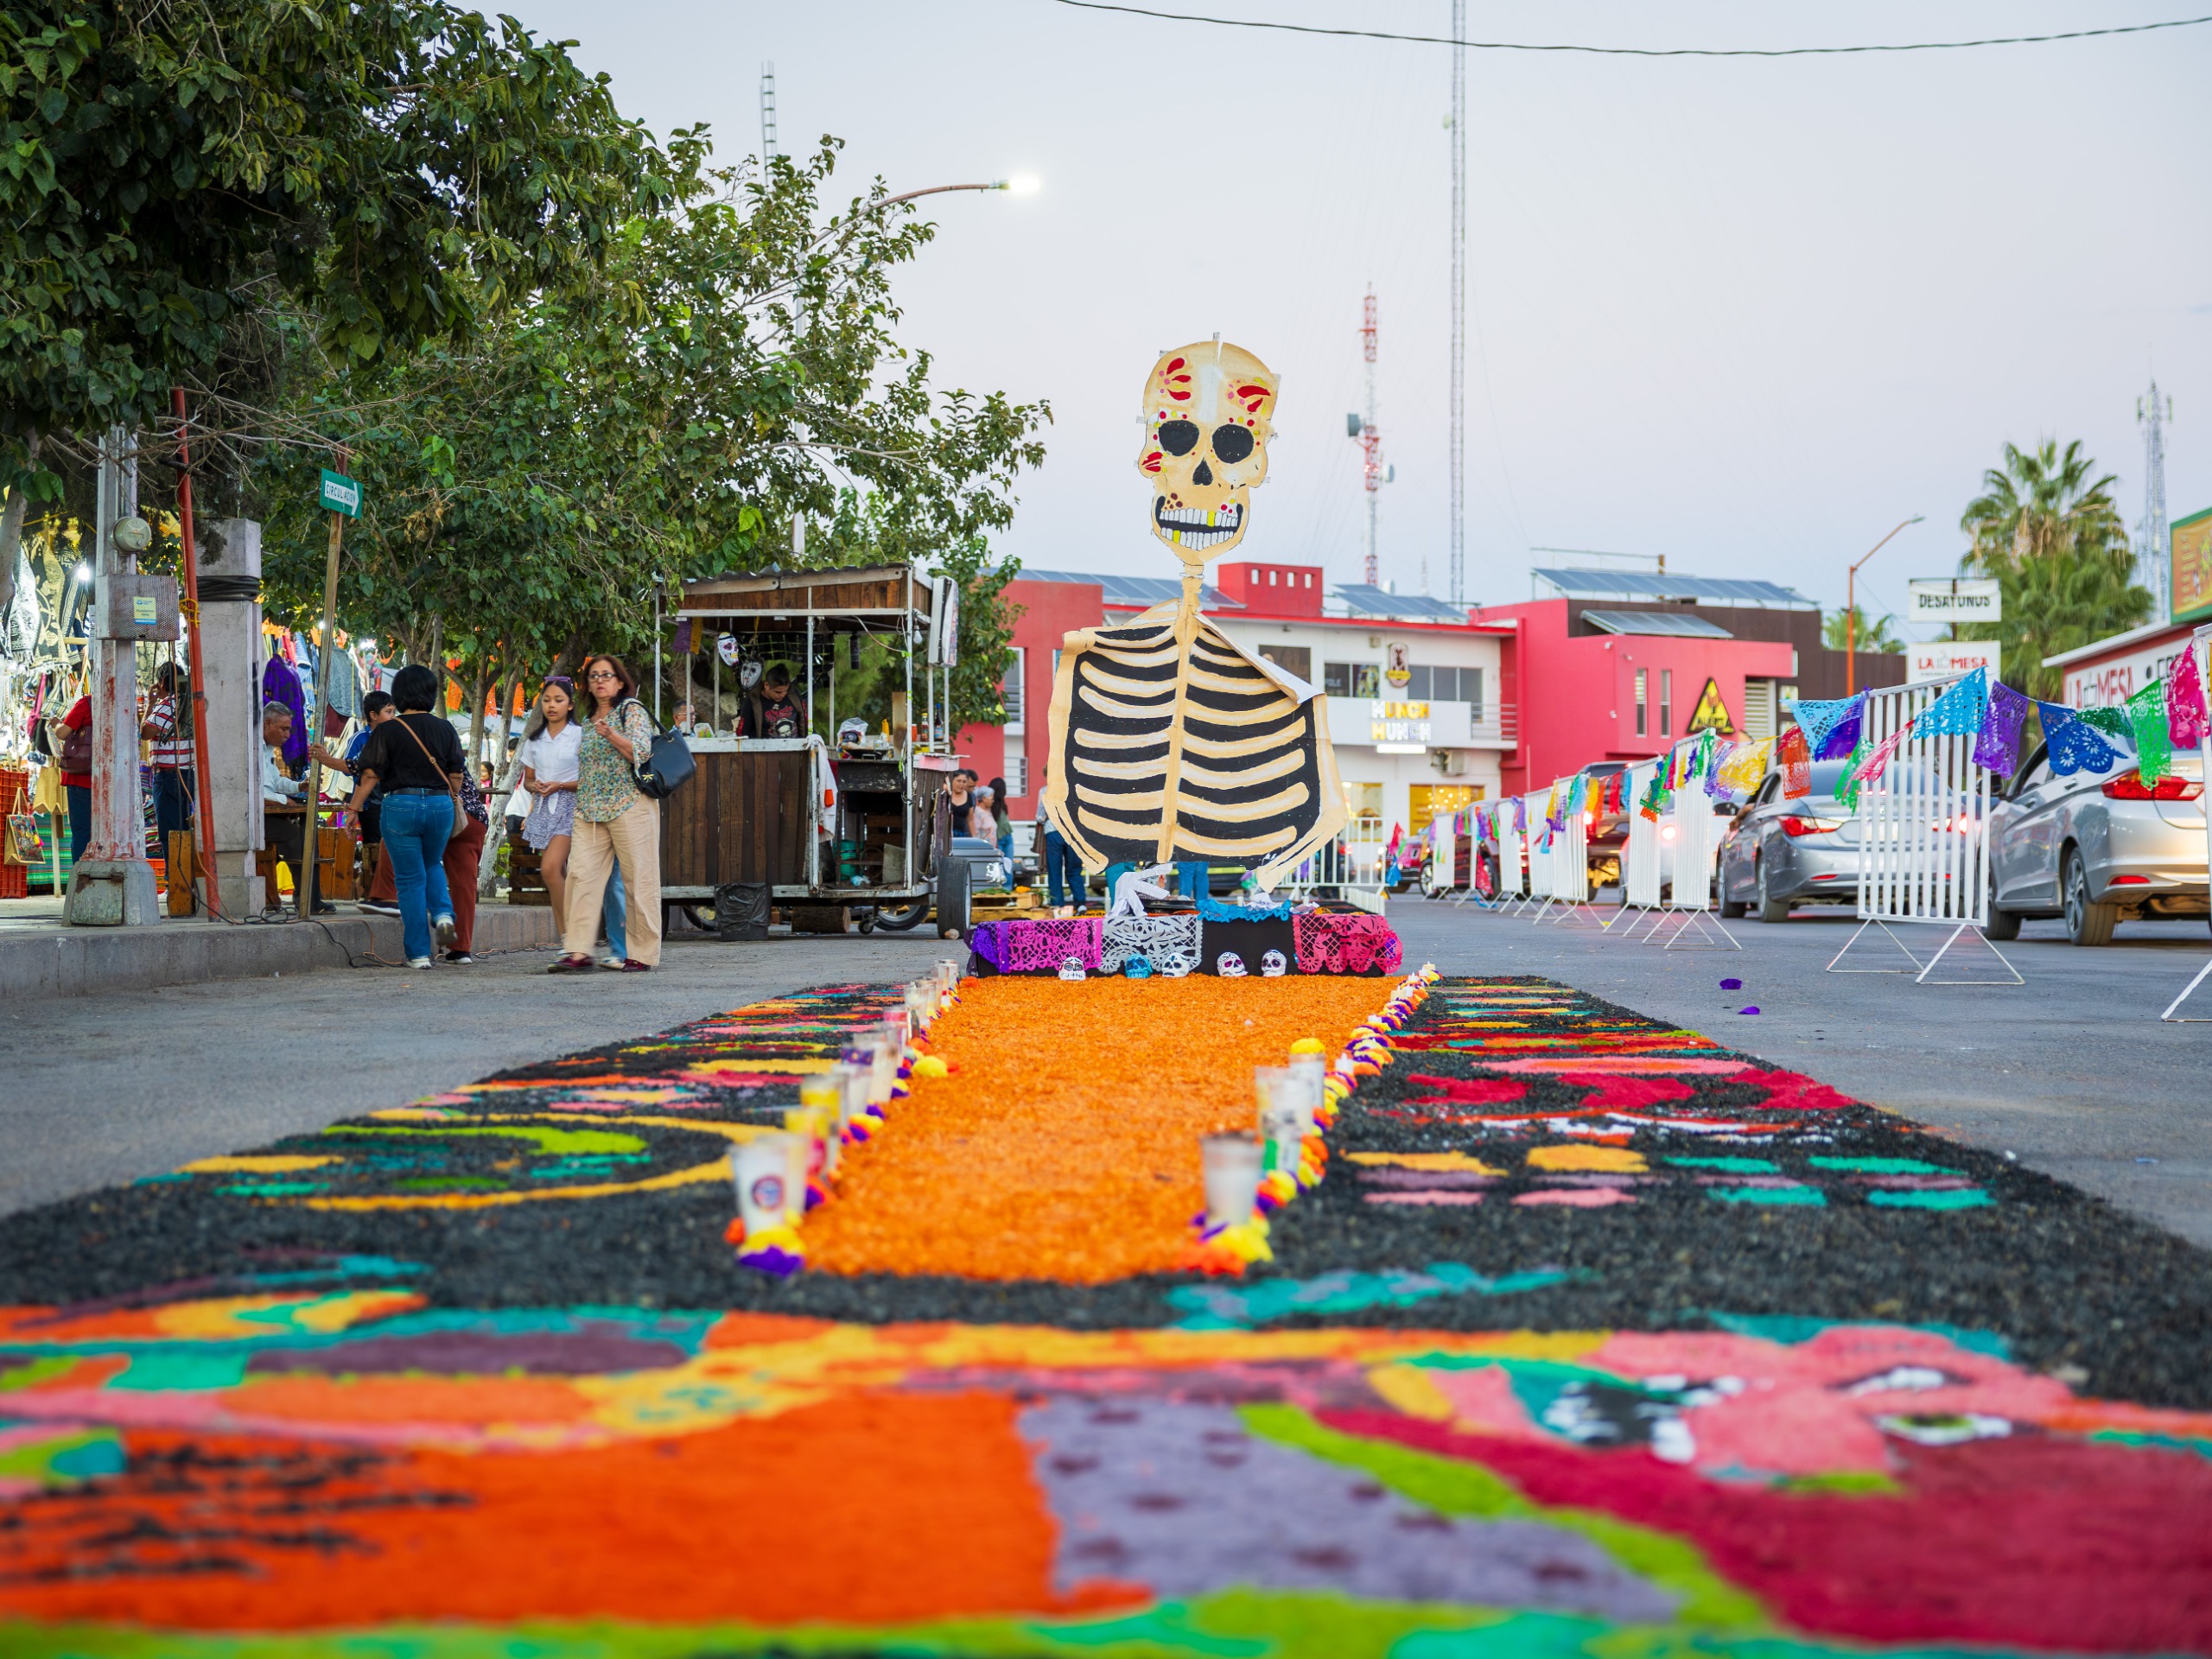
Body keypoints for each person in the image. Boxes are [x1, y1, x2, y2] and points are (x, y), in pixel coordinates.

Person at [346, 664, 466, 969]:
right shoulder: (446, 728)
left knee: (410, 879)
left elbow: (369, 775)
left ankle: (419, 954)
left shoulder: (387, 729)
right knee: (432, 862)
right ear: (431, 694)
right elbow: (456, 775)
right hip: (440, 805)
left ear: (399, 695)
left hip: (400, 805)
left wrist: (353, 809)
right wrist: (444, 794)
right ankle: (443, 914)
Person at [548, 654, 661, 973]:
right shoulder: (586, 720)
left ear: (620, 682)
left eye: (606, 675)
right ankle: (578, 951)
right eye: (594, 676)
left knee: (638, 880)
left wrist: (611, 734)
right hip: (590, 810)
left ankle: (641, 954)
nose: (599, 681)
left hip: (630, 805)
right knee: (580, 878)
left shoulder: (631, 710)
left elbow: (641, 752)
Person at [313, 691, 397, 913]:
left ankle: (386, 894)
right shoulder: (360, 738)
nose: (393, 716)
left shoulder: (397, 735)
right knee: (375, 849)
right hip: (371, 804)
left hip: (395, 803)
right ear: (374, 715)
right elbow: (351, 767)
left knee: (393, 849)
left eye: (393, 711)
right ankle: (377, 893)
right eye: (389, 712)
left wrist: (327, 760)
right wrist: (327, 760)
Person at [259, 702, 331, 914]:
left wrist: (299, 786)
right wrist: (285, 801)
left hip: (266, 812)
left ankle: (312, 898)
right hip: (249, 818)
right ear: (267, 723)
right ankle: (306, 899)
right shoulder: (251, 748)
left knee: (308, 832)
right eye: (284, 729)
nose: (288, 735)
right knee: (294, 836)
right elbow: (255, 792)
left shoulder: (266, 750)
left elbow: (274, 782)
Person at [143, 664, 194, 846]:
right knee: (183, 829)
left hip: (169, 776)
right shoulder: (189, 703)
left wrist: (150, 703)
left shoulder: (168, 704)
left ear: (162, 682)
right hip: (188, 774)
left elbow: (145, 732)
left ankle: (175, 865)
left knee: (171, 834)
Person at [46, 692, 92, 861]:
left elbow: (63, 733)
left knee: (81, 831)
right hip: (107, 781)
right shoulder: (120, 703)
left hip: (81, 777)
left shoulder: (87, 703)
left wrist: (56, 723)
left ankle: (80, 874)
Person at [1037, 771, 1084, 913]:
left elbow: (1040, 816)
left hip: (1053, 831)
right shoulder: (1073, 787)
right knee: (1074, 869)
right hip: (1072, 832)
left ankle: (1058, 906)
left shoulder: (1045, 790)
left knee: (1055, 871)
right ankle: (1080, 903)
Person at [749, 664, 806, 740]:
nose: (782, 695)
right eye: (777, 692)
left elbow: (805, 719)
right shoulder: (754, 701)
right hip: (764, 746)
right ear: (766, 685)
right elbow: (744, 732)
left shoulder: (794, 695)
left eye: (785, 691)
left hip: (796, 745)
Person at [986, 774, 1014, 861]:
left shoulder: (1002, 803)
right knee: (999, 864)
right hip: (998, 839)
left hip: (1008, 837)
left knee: (1008, 864)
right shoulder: (990, 805)